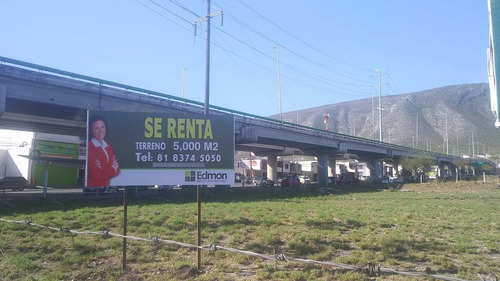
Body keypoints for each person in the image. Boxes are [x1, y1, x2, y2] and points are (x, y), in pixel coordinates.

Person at [87, 115, 119, 186]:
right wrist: (112, 168)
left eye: (102, 127)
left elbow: (117, 168)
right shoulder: (89, 147)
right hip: (93, 187)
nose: (101, 131)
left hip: (105, 187)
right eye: (96, 128)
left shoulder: (108, 146)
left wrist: (102, 168)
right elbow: (97, 176)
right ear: (91, 131)